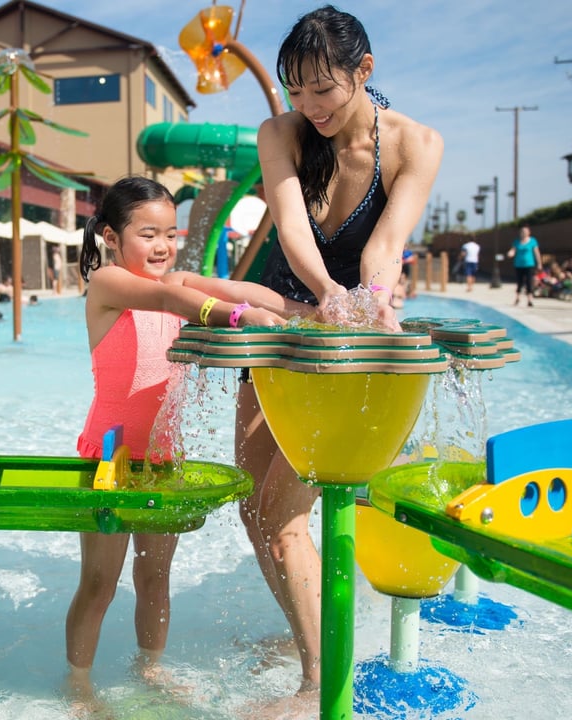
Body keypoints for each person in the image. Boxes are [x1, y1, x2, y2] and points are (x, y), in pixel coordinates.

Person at [241, 5, 442, 707]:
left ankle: (320, 681)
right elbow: (292, 231)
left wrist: (367, 301)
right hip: (280, 321)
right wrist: (326, 292)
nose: (310, 106)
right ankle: (308, 632)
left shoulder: (416, 144)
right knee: (254, 508)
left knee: (284, 516)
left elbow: (385, 245)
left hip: (352, 335)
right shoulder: (281, 134)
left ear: (365, 70)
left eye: (323, 89)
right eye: (296, 90)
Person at [67, 175, 313, 705]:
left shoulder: (178, 279)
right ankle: (79, 686)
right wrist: (239, 318)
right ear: (111, 237)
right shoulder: (108, 283)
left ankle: (149, 669)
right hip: (110, 460)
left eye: (170, 235)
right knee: (100, 583)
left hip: (163, 460)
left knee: (156, 576)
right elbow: (169, 298)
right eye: (148, 234)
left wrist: (310, 315)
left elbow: (241, 290)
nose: (162, 246)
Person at [506, 225, 541, 307]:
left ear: (529, 232)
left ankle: (530, 300)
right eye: (522, 231)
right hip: (518, 265)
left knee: (529, 282)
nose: (523, 233)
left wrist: (539, 263)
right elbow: (513, 250)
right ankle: (517, 298)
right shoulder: (517, 242)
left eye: (525, 231)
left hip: (529, 264)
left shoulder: (532, 241)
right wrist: (510, 253)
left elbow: (536, 253)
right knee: (519, 282)